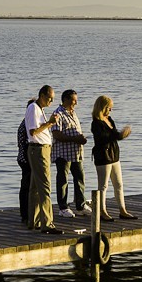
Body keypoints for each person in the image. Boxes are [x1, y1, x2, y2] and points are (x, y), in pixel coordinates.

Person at [90, 95, 135, 220]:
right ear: (103, 107)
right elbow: (104, 138)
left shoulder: (109, 120)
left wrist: (121, 135)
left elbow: (114, 135)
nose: (110, 110)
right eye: (109, 108)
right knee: (103, 185)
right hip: (103, 156)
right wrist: (120, 135)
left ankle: (122, 209)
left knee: (119, 184)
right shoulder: (96, 123)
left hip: (114, 155)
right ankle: (102, 211)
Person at [23, 85, 61, 233]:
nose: (51, 102)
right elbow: (33, 132)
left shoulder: (39, 109)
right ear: (42, 95)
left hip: (40, 150)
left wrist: (49, 122)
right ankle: (48, 223)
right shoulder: (33, 108)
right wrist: (50, 123)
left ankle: (34, 221)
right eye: (49, 98)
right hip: (38, 150)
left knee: (35, 188)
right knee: (45, 187)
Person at [50, 89, 89, 217]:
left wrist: (81, 139)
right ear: (65, 99)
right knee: (63, 180)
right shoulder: (58, 113)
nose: (75, 103)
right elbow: (56, 134)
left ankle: (80, 205)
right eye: (73, 100)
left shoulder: (72, 112)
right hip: (63, 153)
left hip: (76, 153)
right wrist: (75, 139)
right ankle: (63, 207)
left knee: (79, 178)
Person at [16, 98, 34, 224]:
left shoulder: (25, 123)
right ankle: (26, 213)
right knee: (27, 186)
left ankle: (26, 213)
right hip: (27, 158)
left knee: (26, 186)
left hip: (24, 157)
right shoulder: (27, 125)